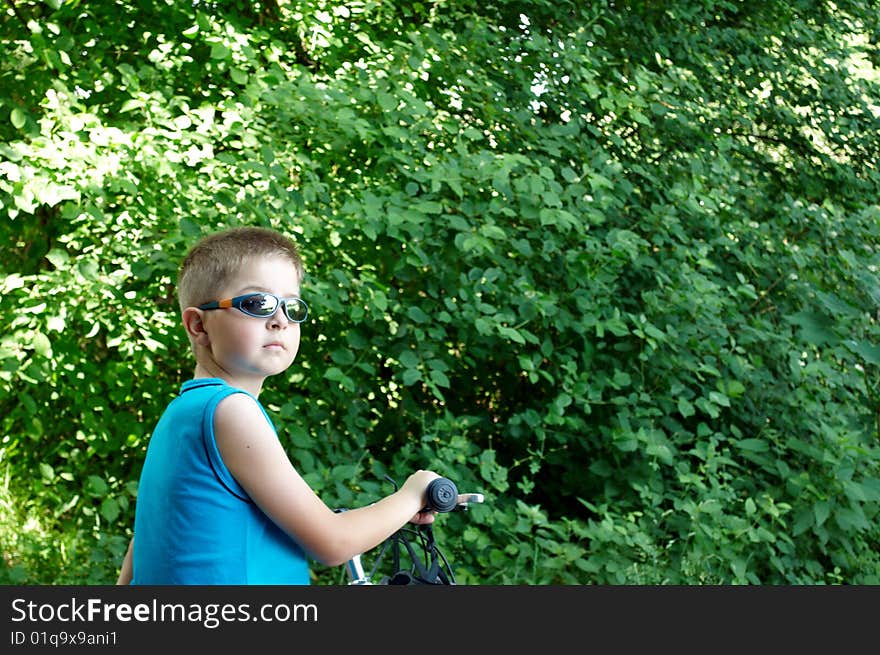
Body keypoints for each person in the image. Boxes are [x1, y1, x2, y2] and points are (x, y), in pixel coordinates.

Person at [116, 225, 443, 584]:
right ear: (199, 326)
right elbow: (334, 543)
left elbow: (143, 545)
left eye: (292, 305)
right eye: (256, 304)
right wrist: (413, 493)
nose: (280, 320)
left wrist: (391, 512)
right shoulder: (231, 412)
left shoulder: (182, 412)